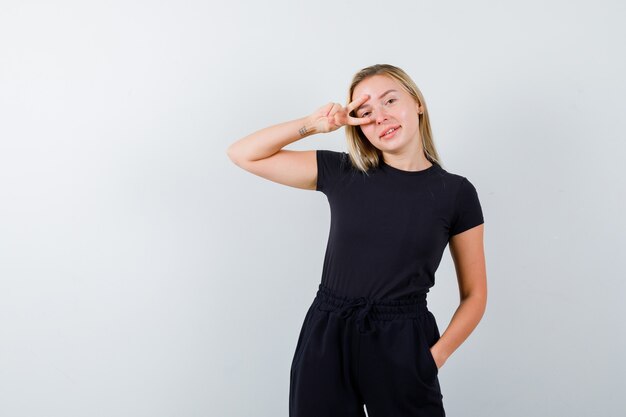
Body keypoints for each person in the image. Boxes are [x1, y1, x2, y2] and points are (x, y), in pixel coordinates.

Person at [226, 64, 487, 417]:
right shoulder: (344, 172)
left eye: (390, 101)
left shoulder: (456, 193)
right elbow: (243, 153)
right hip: (328, 333)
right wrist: (315, 124)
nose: (380, 117)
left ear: (418, 104)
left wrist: (431, 359)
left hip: (403, 341)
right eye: (365, 112)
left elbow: (475, 295)